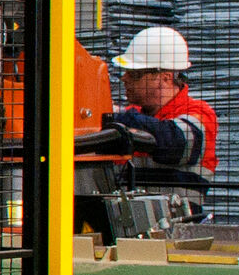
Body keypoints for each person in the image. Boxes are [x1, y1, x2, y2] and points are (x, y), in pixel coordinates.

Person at [82, 24, 216, 188]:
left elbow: (175, 143)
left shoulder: (200, 114)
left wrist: (115, 118)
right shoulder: (132, 117)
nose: (124, 78)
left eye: (135, 74)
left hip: (178, 206)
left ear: (165, 77)